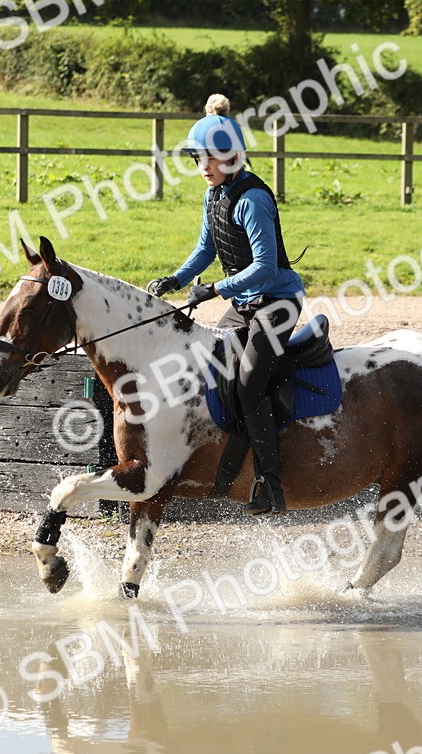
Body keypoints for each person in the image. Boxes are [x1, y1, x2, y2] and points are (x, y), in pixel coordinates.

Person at [146, 94, 306, 516]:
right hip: (245, 303)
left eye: (210, 159)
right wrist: (177, 279)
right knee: (214, 368)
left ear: (233, 156)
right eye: (198, 158)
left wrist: (214, 289)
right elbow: (205, 248)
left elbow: (266, 268)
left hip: (278, 303)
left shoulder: (252, 199)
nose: (203, 167)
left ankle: (271, 486)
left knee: (250, 381)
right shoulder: (214, 196)